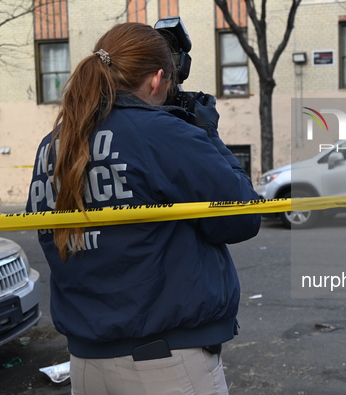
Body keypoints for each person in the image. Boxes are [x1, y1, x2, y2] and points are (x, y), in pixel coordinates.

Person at [26, 22, 261, 395]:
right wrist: (206, 134)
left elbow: (54, 236)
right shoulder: (160, 131)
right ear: (156, 80)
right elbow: (242, 217)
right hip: (164, 361)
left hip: (86, 361)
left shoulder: (55, 144)